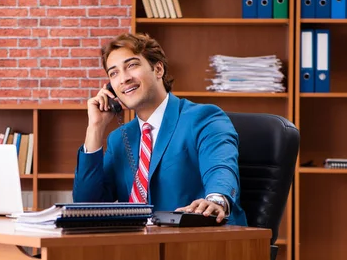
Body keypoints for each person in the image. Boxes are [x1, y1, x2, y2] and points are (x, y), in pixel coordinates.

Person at [72, 32, 247, 226]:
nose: (123, 79)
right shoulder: (119, 139)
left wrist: (216, 200)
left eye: (132, 65)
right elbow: (86, 207)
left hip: (197, 243)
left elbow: (220, 167)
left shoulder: (204, 118)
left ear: (158, 69)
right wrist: (95, 128)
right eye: (113, 73)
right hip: (135, 249)